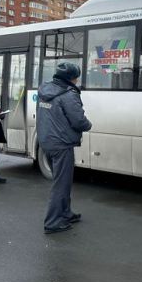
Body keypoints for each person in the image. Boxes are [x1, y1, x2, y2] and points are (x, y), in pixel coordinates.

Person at [36, 62, 92, 234]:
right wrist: (88, 124)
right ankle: (53, 222)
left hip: (47, 141)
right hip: (61, 144)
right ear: (71, 78)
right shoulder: (68, 95)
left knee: (63, 181)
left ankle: (66, 213)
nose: (77, 80)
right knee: (61, 184)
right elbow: (78, 121)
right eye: (76, 77)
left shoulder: (45, 89)